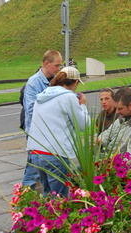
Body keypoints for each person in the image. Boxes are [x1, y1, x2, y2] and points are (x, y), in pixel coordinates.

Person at [27, 66, 90, 196]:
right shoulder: (68, 97)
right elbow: (84, 125)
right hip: (55, 153)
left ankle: (45, 216)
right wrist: (82, 105)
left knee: (48, 193)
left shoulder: (43, 95)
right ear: (75, 82)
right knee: (59, 199)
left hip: (36, 151)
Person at [22, 50, 63, 188]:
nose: (58, 69)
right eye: (56, 65)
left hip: (49, 134)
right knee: (33, 172)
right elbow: (31, 110)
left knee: (43, 174)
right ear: (46, 63)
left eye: (60, 66)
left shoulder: (53, 81)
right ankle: (23, 202)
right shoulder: (34, 82)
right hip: (37, 134)